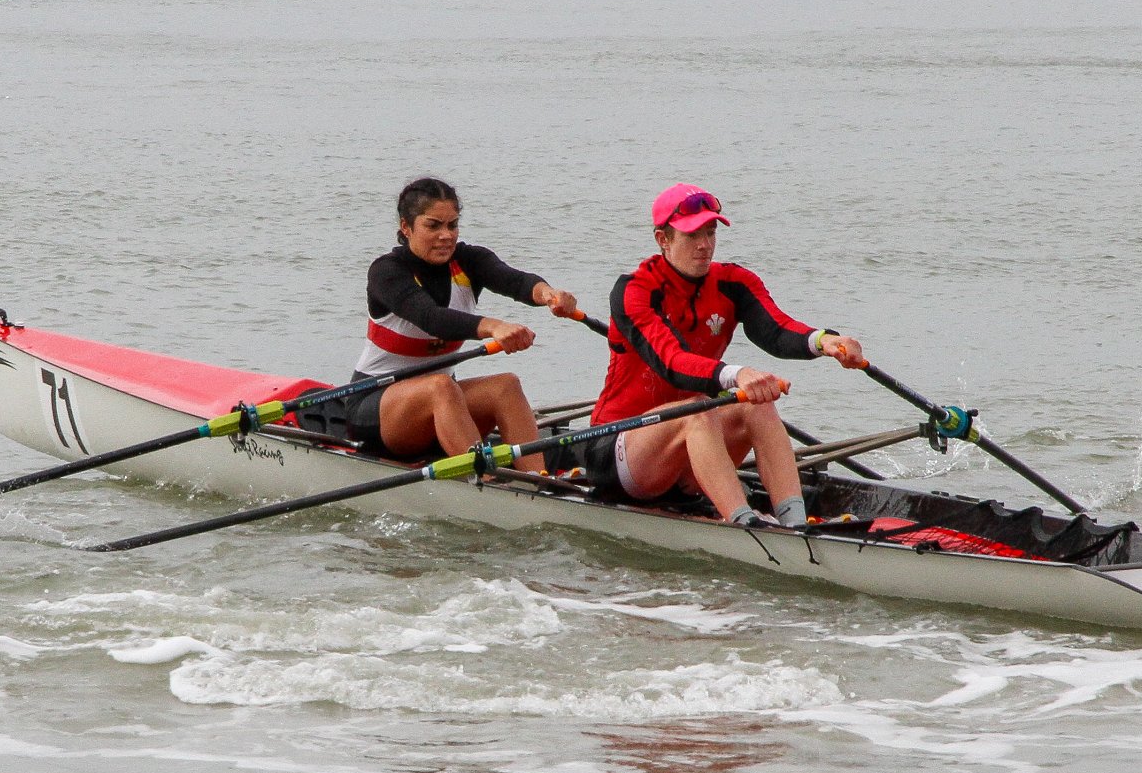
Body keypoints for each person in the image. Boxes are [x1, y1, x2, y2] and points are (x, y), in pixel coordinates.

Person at [583, 183, 866, 528]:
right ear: (663, 240)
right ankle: (746, 525)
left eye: (711, 232)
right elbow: (670, 361)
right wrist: (738, 374)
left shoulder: (734, 282)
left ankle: (794, 525)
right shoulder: (634, 290)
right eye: (691, 236)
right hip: (618, 448)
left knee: (755, 405)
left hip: (687, 456)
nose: (705, 245)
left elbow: (776, 330)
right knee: (700, 411)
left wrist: (826, 342)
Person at [314, 177, 576, 471]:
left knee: (505, 385)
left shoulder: (469, 260)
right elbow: (431, 318)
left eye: (452, 225)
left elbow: (515, 280)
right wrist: (493, 327)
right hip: (375, 409)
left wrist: (549, 295)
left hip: (443, 405)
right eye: (433, 225)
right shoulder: (387, 272)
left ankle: (538, 480)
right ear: (406, 227)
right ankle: (485, 482)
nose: (446, 235)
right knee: (440, 386)